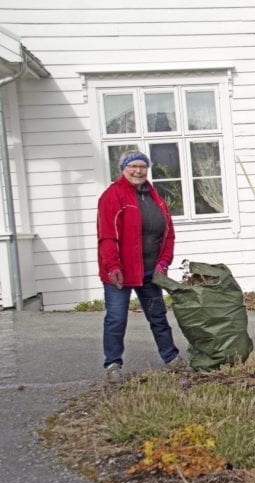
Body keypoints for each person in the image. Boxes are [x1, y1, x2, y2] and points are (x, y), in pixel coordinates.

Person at [97, 150, 188, 384]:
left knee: (158, 316)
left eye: (142, 166)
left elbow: (168, 234)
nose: (138, 171)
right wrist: (112, 266)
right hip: (119, 272)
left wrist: (163, 262)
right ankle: (113, 364)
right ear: (122, 169)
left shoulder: (154, 196)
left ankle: (171, 358)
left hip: (149, 272)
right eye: (133, 166)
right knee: (116, 319)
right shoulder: (112, 196)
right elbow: (107, 236)